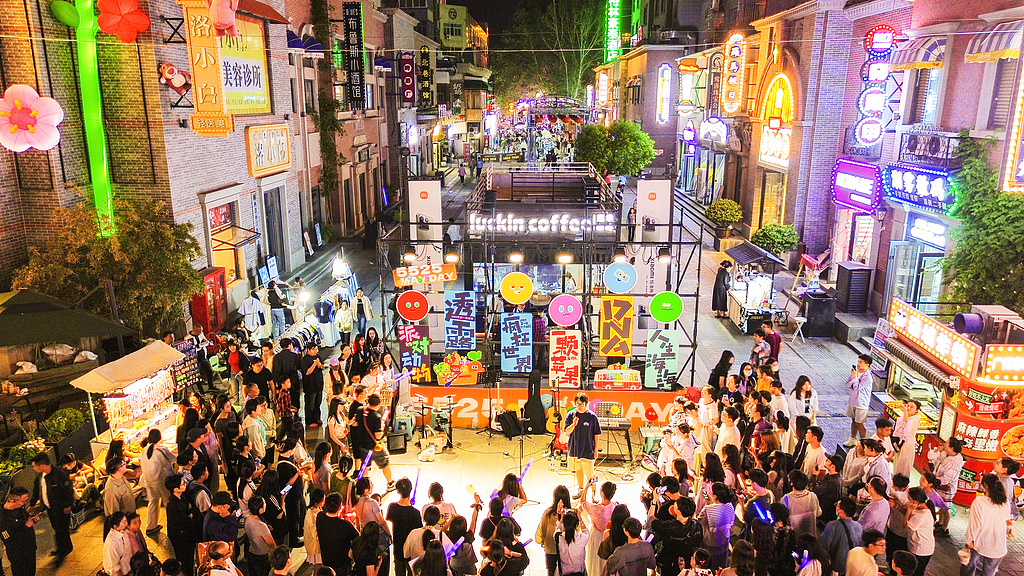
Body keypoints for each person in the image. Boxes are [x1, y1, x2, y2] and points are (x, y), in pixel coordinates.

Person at [963, 473, 1012, 576]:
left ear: (985, 486)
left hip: (979, 541)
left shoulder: (979, 502)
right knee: (989, 573)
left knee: (969, 567)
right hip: (998, 545)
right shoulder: (1005, 502)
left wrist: (969, 540)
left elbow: (974, 525)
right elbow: (1007, 520)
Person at [30, 453, 74, 556]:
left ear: (42, 466)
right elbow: (36, 490)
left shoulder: (60, 474)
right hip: (50, 508)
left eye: (34, 466)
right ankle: (62, 547)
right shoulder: (40, 476)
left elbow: (68, 490)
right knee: (56, 528)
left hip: (61, 507)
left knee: (62, 529)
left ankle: (65, 548)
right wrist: (32, 503)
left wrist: (67, 505)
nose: (34, 468)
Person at [649, 496, 703, 576]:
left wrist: (654, 502)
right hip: (687, 562)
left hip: (669, 563)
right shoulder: (697, 525)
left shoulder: (670, 527)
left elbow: (651, 521)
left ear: (678, 511)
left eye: (675, 504)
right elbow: (698, 542)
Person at [351, 393, 394, 486]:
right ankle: (390, 483)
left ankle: (363, 486)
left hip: (362, 445)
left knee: (365, 465)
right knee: (385, 462)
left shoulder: (360, 410)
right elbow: (378, 436)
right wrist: (382, 427)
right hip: (374, 447)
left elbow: (355, 424)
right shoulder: (376, 417)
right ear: (378, 404)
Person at [139, 428, 175, 534]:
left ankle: (151, 526)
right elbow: (171, 460)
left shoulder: (145, 449)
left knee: (153, 502)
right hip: (160, 481)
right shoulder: (160, 450)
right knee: (168, 502)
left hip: (148, 481)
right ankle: (172, 525)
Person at [928, 437, 964, 536]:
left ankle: (944, 528)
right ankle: (940, 523)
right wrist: (937, 450)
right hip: (939, 484)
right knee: (941, 506)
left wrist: (934, 482)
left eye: (946, 443)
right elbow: (931, 457)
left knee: (945, 508)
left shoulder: (954, 462)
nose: (944, 444)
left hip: (946, 487)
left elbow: (947, 478)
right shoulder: (945, 453)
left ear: (951, 448)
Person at [319, 492, 360, 576]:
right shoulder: (345, 525)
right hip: (342, 563)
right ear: (340, 507)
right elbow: (358, 538)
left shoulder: (320, 517)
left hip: (326, 560)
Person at [388, 478, 423, 576]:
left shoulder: (393, 508)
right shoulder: (415, 513)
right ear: (410, 490)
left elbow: (390, 520)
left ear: (398, 491)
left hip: (398, 547)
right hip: (411, 550)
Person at [696, 483, 735, 571]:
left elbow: (699, 521)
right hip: (724, 541)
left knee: (710, 565)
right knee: (721, 565)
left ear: (715, 496)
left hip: (710, 542)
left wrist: (709, 504)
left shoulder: (708, 509)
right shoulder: (730, 506)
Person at [0, 487, 39, 576]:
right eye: (23, 501)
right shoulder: (3, 518)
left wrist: (33, 519)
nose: (25, 503)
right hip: (18, 554)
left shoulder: (20, 508)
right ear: (13, 501)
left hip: (30, 549)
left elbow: (26, 521)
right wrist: (26, 526)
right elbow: (9, 540)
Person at [819, 497, 862, 576]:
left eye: (837, 506)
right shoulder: (859, 526)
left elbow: (823, 547)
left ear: (841, 512)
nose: (835, 507)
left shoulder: (832, 526)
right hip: (852, 567)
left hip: (837, 568)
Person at [165, 474, 197, 576]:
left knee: (189, 559)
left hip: (186, 534)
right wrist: (190, 516)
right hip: (181, 538)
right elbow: (184, 521)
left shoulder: (181, 497)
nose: (185, 485)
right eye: (182, 484)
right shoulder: (174, 505)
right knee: (185, 560)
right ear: (176, 489)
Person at [537, 486, 571, 576]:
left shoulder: (548, 514)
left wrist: (542, 542)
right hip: (567, 550)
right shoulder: (571, 514)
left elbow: (542, 529)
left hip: (551, 549)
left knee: (551, 571)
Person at [844, 355, 873, 447]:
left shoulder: (867, 377)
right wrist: (854, 379)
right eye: (858, 361)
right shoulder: (856, 372)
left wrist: (855, 378)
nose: (858, 364)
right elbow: (848, 384)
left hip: (861, 403)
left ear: (867, 365)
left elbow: (858, 388)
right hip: (852, 401)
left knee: (859, 423)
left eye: (861, 362)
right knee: (853, 421)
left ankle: (864, 442)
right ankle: (852, 439)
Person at [903, 488, 933, 576]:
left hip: (920, 550)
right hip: (916, 546)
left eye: (909, 499)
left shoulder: (922, 515)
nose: (908, 501)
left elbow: (905, 525)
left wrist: (909, 510)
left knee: (916, 573)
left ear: (915, 501)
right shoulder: (919, 508)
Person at [103, 458, 136, 537]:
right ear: (119, 469)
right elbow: (114, 512)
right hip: (124, 524)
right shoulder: (111, 489)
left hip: (130, 518)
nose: (125, 465)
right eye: (124, 464)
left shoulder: (122, 478)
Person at [783, 470, 821, 538]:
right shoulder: (812, 496)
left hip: (795, 538)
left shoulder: (786, 499)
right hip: (811, 536)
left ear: (791, 483)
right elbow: (819, 513)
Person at [245, 496, 276, 576]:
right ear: (260, 509)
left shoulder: (247, 519)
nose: (266, 504)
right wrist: (276, 550)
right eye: (264, 503)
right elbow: (271, 543)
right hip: (263, 555)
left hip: (252, 551)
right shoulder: (261, 525)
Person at [555, 510, 588, 576]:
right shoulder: (582, 538)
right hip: (579, 572)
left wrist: (562, 517)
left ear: (564, 524)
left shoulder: (559, 538)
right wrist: (580, 518)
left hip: (563, 572)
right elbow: (586, 531)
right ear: (576, 525)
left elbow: (557, 529)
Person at [301, 342, 326, 427]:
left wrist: (320, 365)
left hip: (318, 384)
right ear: (308, 350)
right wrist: (314, 364)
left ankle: (317, 418)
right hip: (310, 386)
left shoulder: (318, 357)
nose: (316, 351)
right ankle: (309, 421)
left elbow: (322, 366)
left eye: (317, 349)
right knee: (310, 404)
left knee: (318, 403)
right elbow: (307, 372)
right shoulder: (304, 360)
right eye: (314, 349)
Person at [892, 401, 920, 478]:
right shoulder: (906, 416)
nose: (909, 408)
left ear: (916, 410)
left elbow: (906, 426)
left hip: (908, 445)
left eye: (912, 407)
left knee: (904, 467)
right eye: (908, 406)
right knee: (897, 464)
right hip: (900, 443)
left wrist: (905, 412)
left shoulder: (915, 419)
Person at [186, 323, 216, 393]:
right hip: (195, 357)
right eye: (199, 331)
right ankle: (200, 390)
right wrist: (197, 346)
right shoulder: (188, 338)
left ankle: (211, 385)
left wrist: (206, 342)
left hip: (203, 355)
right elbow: (190, 349)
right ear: (195, 330)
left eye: (201, 331)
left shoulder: (201, 334)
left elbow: (204, 340)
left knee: (209, 370)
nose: (200, 333)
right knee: (198, 374)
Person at [103, 512, 133, 576]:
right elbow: (114, 567)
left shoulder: (123, 533)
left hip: (128, 568)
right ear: (116, 526)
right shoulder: (112, 543)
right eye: (124, 522)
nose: (126, 524)